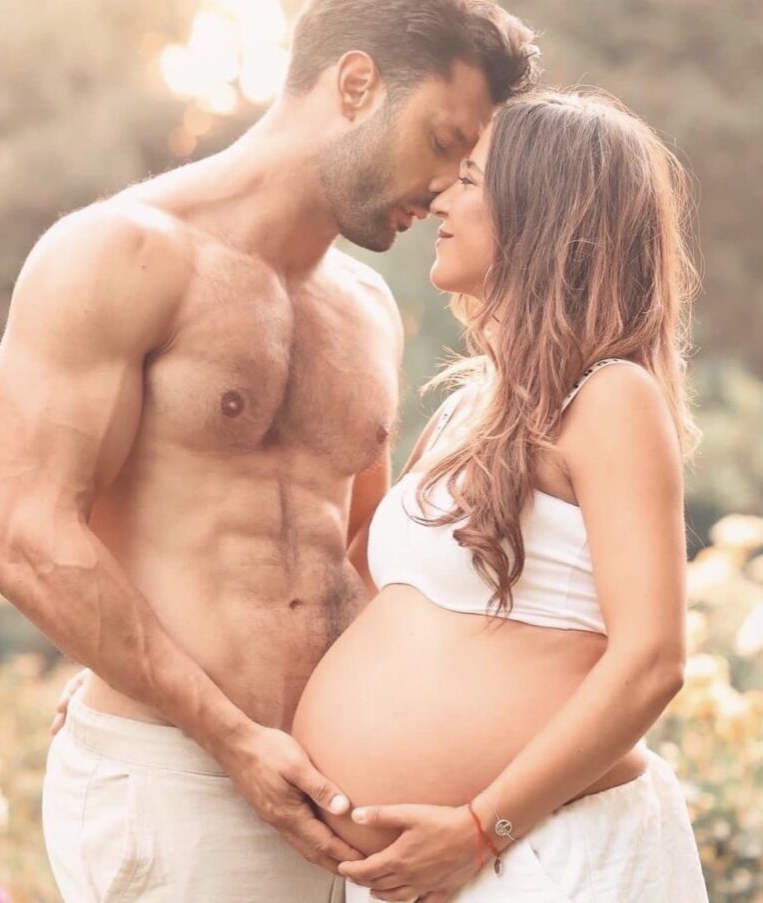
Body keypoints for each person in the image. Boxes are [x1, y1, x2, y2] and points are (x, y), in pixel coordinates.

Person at [0, 0, 537, 903]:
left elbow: (366, 556)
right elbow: (25, 539)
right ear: (355, 84)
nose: (449, 189)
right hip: (179, 774)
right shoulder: (119, 252)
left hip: (337, 796)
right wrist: (233, 738)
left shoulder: (367, 309)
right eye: (444, 142)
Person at [289, 91, 710, 901]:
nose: (441, 197)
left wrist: (483, 827)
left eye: (471, 179)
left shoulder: (610, 400)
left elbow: (653, 661)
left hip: (549, 858)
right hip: (424, 875)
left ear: (540, 210)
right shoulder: (463, 407)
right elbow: (357, 600)